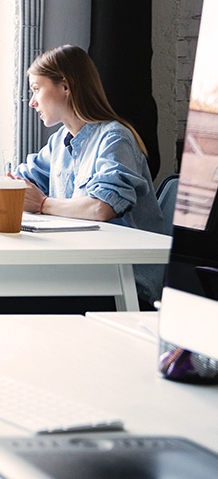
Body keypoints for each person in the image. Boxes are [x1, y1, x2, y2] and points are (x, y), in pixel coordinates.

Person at [9, 44, 167, 308]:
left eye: (37, 89)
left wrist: (42, 204)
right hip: (82, 269)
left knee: (0, 301)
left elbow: (100, 207)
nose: (32, 102)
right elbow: (20, 182)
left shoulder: (115, 138)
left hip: (122, 283)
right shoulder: (60, 141)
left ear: (66, 86)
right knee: (0, 293)